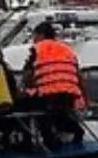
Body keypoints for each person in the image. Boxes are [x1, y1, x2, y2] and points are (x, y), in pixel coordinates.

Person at [20, 22, 86, 150]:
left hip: (48, 93)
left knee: (29, 109)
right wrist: (85, 97)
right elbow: (78, 75)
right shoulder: (67, 49)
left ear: (41, 35)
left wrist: (26, 88)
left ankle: (33, 142)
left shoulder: (37, 49)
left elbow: (27, 76)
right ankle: (76, 131)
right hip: (69, 93)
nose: (33, 40)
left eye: (34, 36)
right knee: (59, 114)